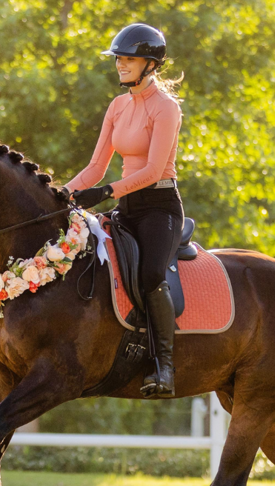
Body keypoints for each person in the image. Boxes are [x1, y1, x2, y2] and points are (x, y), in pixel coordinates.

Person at [63, 23, 184, 398]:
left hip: (160, 208)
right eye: (118, 59)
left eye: (128, 59)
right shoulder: (117, 106)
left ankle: (165, 367)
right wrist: (61, 195)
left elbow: (153, 170)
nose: (120, 64)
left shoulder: (166, 108)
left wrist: (105, 193)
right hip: (126, 207)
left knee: (150, 275)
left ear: (151, 64)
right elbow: (95, 167)